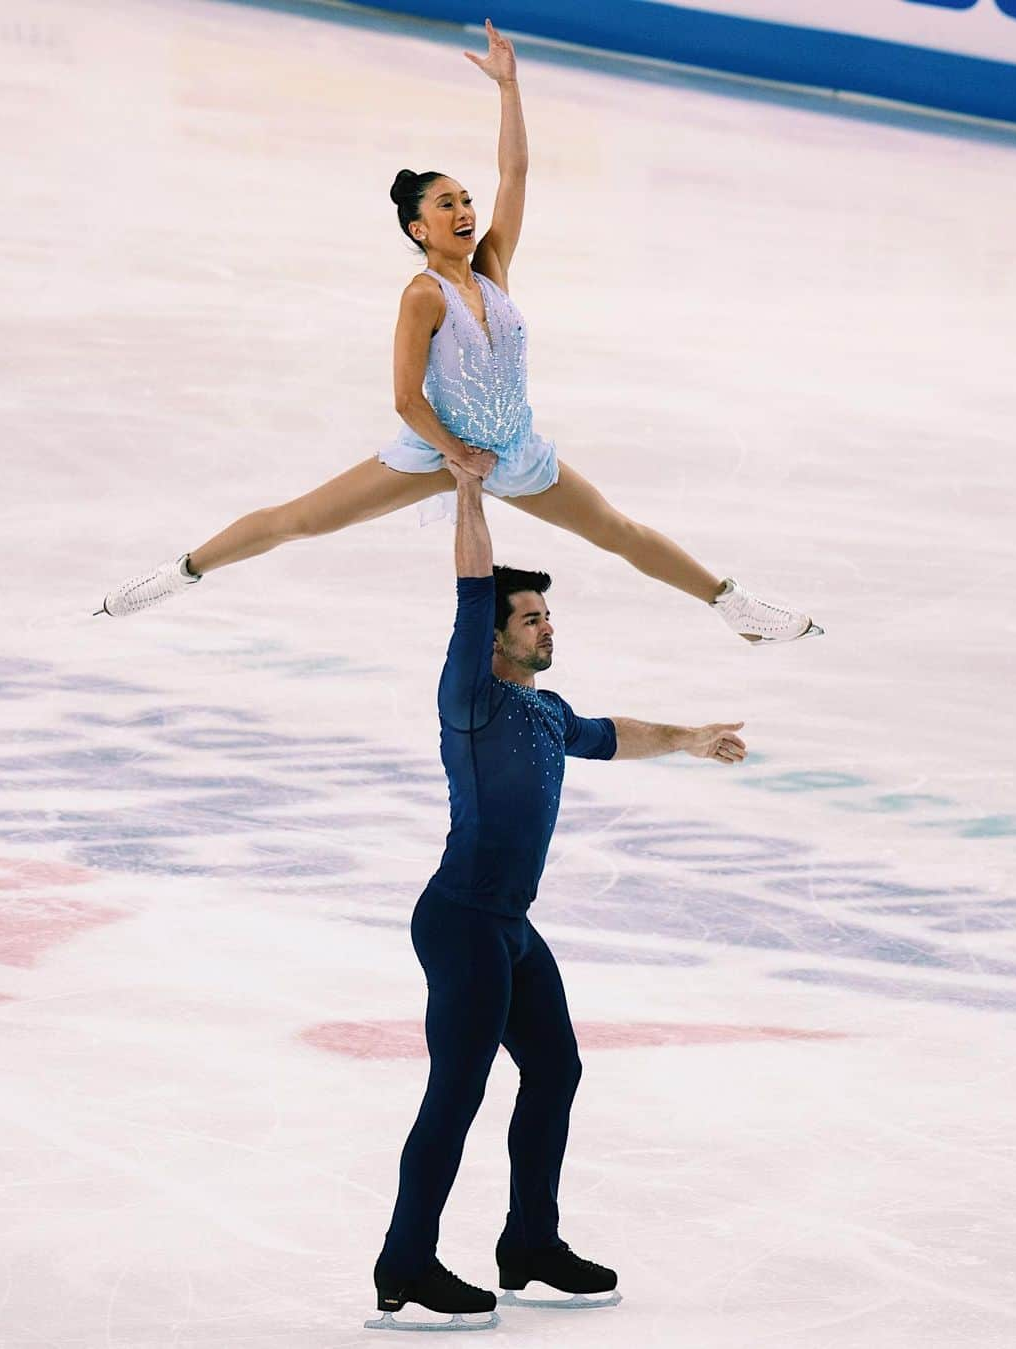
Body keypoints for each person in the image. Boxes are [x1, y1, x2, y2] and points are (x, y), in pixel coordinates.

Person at [96, 20, 821, 646]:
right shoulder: (423, 296)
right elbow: (406, 398)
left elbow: (517, 169)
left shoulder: (494, 267)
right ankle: (180, 571)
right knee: (303, 520)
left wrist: (508, 89)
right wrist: (455, 456)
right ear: (420, 227)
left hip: (515, 453)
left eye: (466, 199)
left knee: (618, 532)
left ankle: (734, 605)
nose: (466, 209)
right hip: (436, 451)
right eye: (448, 204)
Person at [365, 462, 748, 1332]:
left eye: (547, 614)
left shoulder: (545, 712)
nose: (546, 627)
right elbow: (471, 591)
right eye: (530, 617)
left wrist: (689, 736)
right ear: (497, 639)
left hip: (509, 927)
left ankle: (530, 1244)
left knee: (557, 1068)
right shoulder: (472, 696)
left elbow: (614, 734)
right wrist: (468, 495)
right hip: (461, 919)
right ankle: (405, 1260)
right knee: (456, 1091)